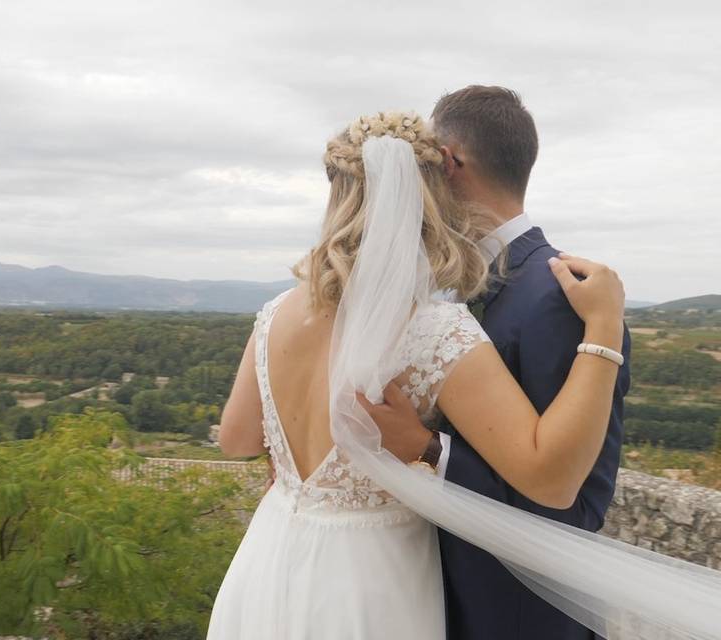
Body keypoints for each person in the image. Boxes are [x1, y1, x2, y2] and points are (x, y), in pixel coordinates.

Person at [207, 110, 626, 639]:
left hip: (269, 561)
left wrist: (297, 460)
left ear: (337, 197)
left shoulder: (277, 313)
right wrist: (606, 325)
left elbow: (236, 438)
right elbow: (552, 478)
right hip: (371, 582)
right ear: (426, 196)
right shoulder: (433, 329)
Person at [358, 85, 632, 640]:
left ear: (450, 163)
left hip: (519, 614)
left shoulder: (555, 295)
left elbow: (571, 506)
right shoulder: (473, 286)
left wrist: (429, 452)